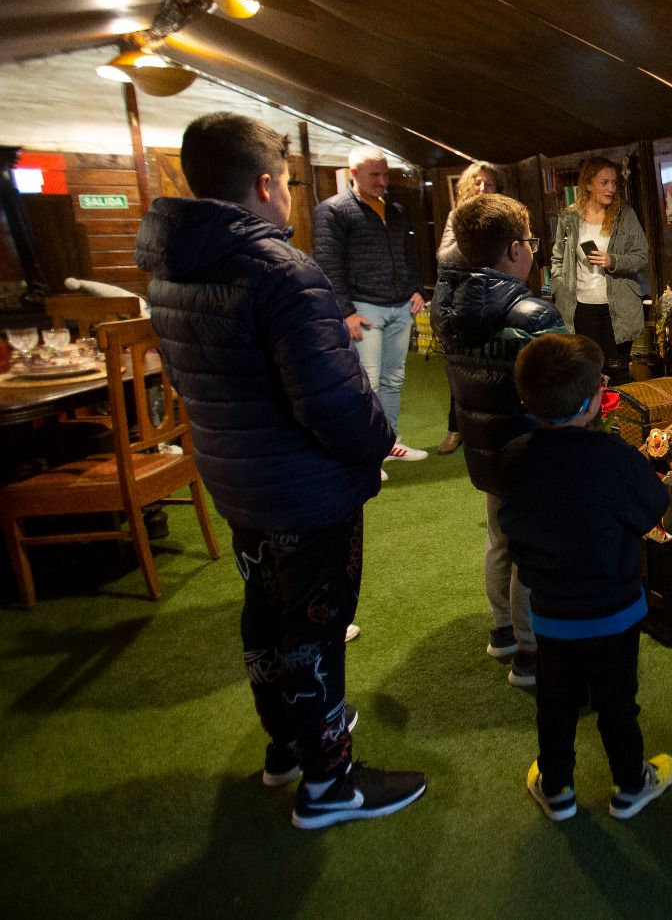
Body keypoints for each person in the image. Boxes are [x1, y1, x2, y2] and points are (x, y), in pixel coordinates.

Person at [135, 112, 426, 829]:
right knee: (316, 625)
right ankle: (330, 783)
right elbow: (331, 399)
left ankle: (288, 745)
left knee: (265, 611)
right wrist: (376, 442)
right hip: (304, 488)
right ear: (267, 185)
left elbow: (182, 375)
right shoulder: (280, 272)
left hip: (237, 480)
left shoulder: (169, 268)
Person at [499, 334, 672, 822]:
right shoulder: (613, 458)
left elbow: (512, 524)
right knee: (618, 703)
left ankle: (556, 788)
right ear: (594, 401)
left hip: (552, 614)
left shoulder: (514, 456)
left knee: (555, 703)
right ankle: (630, 784)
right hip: (616, 611)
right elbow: (652, 508)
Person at [430, 192, 564, 683]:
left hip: (485, 445)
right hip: (531, 449)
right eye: (529, 242)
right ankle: (531, 655)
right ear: (513, 249)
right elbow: (564, 388)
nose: (533, 251)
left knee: (499, 538)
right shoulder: (533, 314)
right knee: (530, 549)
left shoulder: (446, 302)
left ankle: (504, 631)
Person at [314, 146, 428, 462]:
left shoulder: (395, 210)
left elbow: (409, 254)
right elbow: (328, 264)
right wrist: (346, 312)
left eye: (385, 174)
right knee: (367, 382)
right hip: (364, 309)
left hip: (399, 306)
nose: (381, 180)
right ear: (354, 174)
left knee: (393, 379)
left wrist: (416, 289)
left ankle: (387, 442)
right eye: (374, 174)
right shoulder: (334, 211)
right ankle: (365, 451)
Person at [548, 156, 648, 385]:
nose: (611, 188)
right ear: (588, 185)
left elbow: (641, 257)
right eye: (604, 182)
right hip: (581, 307)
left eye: (614, 183)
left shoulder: (625, 216)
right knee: (588, 368)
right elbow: (558, 258)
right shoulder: (570, 218)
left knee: (618, 370)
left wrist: (613, 260)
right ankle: (596, 418)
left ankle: (622, 418)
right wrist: (557, 288)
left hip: (618, 307)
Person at [434, 160, 501, 456]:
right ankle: (456, 428)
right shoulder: (457, 216)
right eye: (478, 182)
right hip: (466, 300)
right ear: (467, 186)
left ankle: (493, 428)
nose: (483, 188)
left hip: (499, 297)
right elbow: (444, 256)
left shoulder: (506, 215)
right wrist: (472, 236)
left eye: (489, 184)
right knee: (463, 366)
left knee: (497, 365)